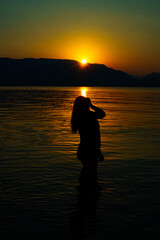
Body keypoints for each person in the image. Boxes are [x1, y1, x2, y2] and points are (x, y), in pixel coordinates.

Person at [71, 96, 106, 178]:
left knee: (86, 175)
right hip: (90, 151)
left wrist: (98, 152)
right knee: (91, 176)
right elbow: (102, 114)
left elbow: (90, 138)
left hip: (83, 150)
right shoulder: (90, 116)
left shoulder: (78, 117)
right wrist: (91, 105)